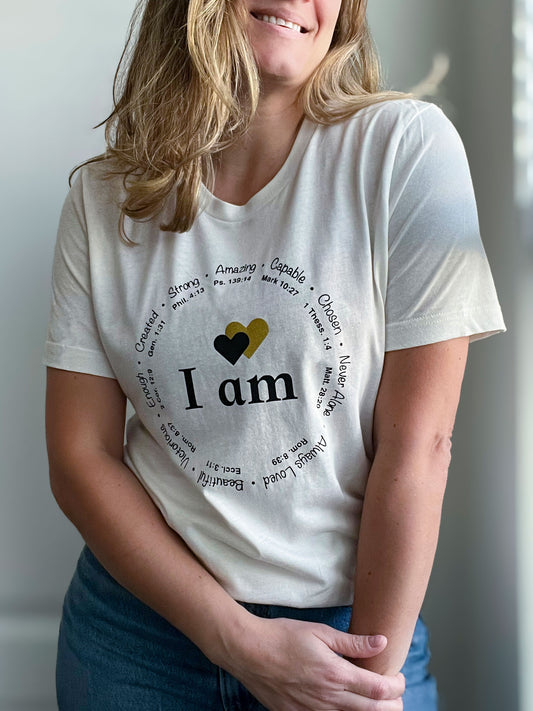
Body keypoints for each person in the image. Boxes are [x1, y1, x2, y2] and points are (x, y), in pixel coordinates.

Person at [44, 0, 506, 709]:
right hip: (140, 640)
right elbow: (81, 456)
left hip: (355, 632)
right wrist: (234, 638)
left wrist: (365, 686)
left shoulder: (404, 151)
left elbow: (419, 447)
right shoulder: (101, 199)